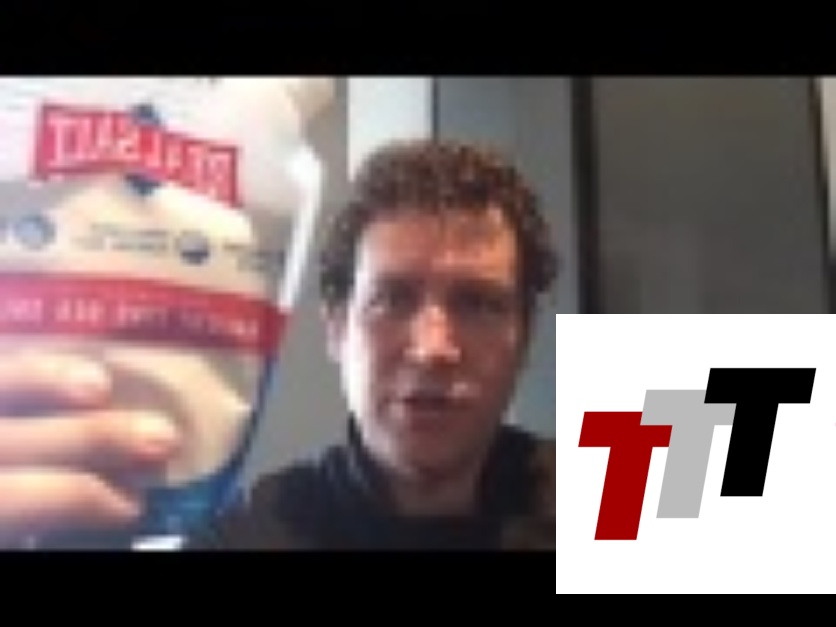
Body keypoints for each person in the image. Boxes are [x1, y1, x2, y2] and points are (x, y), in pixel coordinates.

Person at [0, 138, 558, 550]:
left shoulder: (602, 495)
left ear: (525, 336)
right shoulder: (253, 535)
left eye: (478, 304)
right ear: (336, 329)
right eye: (391, 299)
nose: (433, 347)